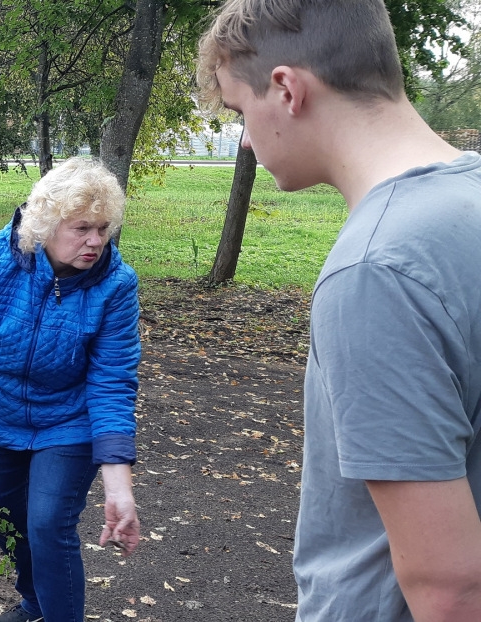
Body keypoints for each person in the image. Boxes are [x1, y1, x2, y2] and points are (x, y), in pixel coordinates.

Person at [197, 1, 481, 620]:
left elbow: (451, 591)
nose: (244, 138)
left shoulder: (376, 272)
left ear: (286, 89)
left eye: (241, 112)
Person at [0, 158, 142, 622]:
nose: (95, 241)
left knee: (47, 524)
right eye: (82, 227)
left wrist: (118, 488)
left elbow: (112, 385)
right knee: (7, 521)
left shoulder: (115, 287)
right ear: (45, 224)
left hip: (68, 422)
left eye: (103, 228)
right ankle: (35, 605)